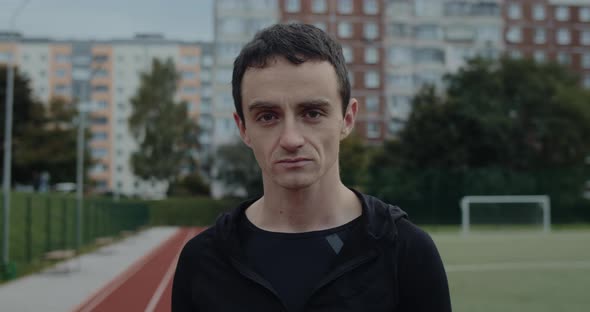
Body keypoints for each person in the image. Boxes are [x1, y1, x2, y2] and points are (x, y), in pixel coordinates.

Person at [172, 23, 452, 312]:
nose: (291, 139)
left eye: (312, 113)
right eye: (267, 116)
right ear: (243, 128)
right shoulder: (203, 260)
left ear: (347, 119)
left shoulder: (406, 251)